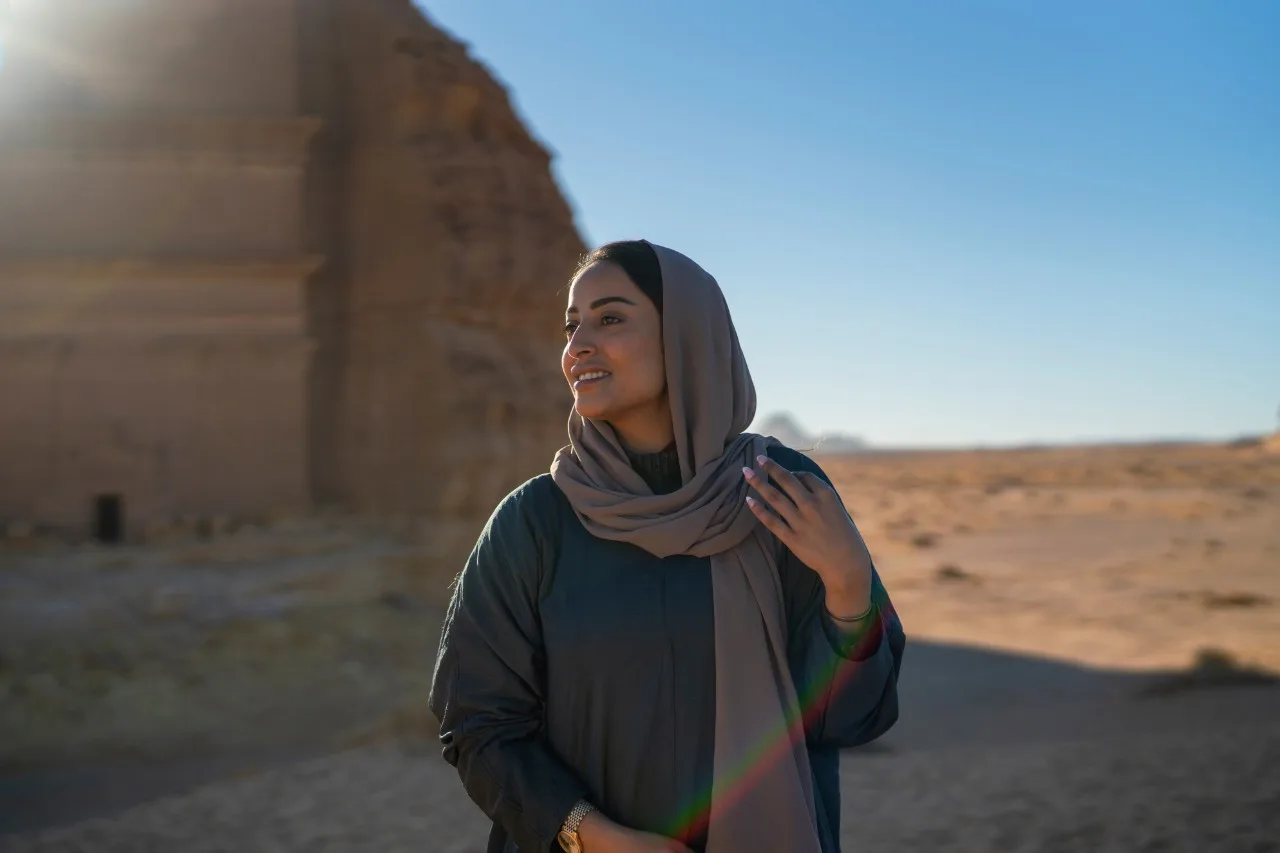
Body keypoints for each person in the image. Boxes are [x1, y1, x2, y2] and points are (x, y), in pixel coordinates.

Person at [429, 240, 905, 853]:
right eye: (572, 327)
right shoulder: (535, 521)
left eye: (611, 318)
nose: (577, 348)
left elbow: (849, 720)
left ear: (686, 336)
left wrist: (847, 588)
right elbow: (477, 724)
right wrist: (595, 838)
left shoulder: (778, 491)